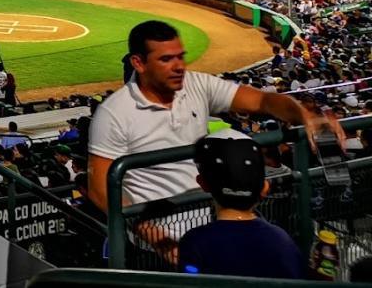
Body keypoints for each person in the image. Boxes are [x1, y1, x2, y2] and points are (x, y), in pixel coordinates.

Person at [88, 20, 345, 261]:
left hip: (207, 230)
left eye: (180, 56)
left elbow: (261, 100)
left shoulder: (196, 84)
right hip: (153, 249)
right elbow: (100, 190)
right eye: (166, 59)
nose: (179, 66)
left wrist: (303, 114)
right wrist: (157, 239)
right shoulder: (114, 112)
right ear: (139, 63)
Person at [178, 130, 305, 278]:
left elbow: (190, 280)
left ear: (203, 183)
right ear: (264, 188)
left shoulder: (194, 242)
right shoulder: (282, 240)